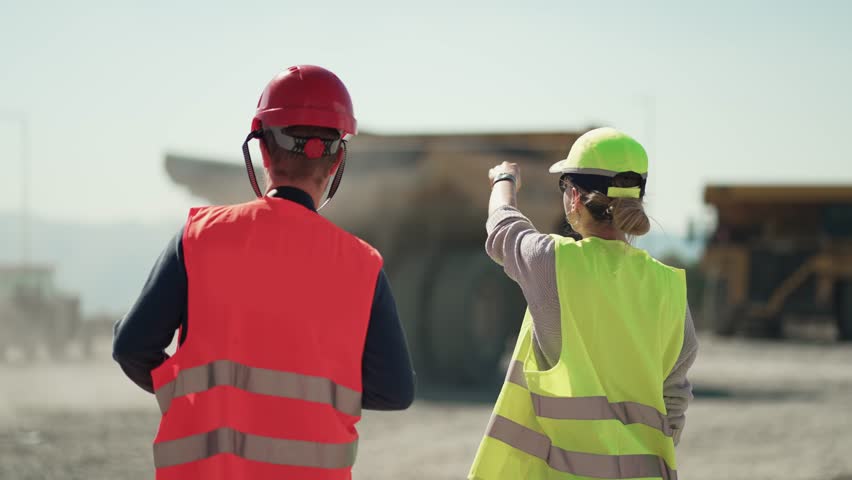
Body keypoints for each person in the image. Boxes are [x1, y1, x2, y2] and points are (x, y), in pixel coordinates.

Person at [113, 65, 415, 480]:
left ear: (263, 152)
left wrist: (198, 399)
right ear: (336, 160)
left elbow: (131, 347)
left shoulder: (200, 238)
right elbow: (396, 391)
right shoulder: (362, 264)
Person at [468, 127, 698, 480]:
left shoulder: (552, 264)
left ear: (574, 196)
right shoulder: (669, 286)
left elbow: (503, 226)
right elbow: (675, 400)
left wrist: (504, 178)